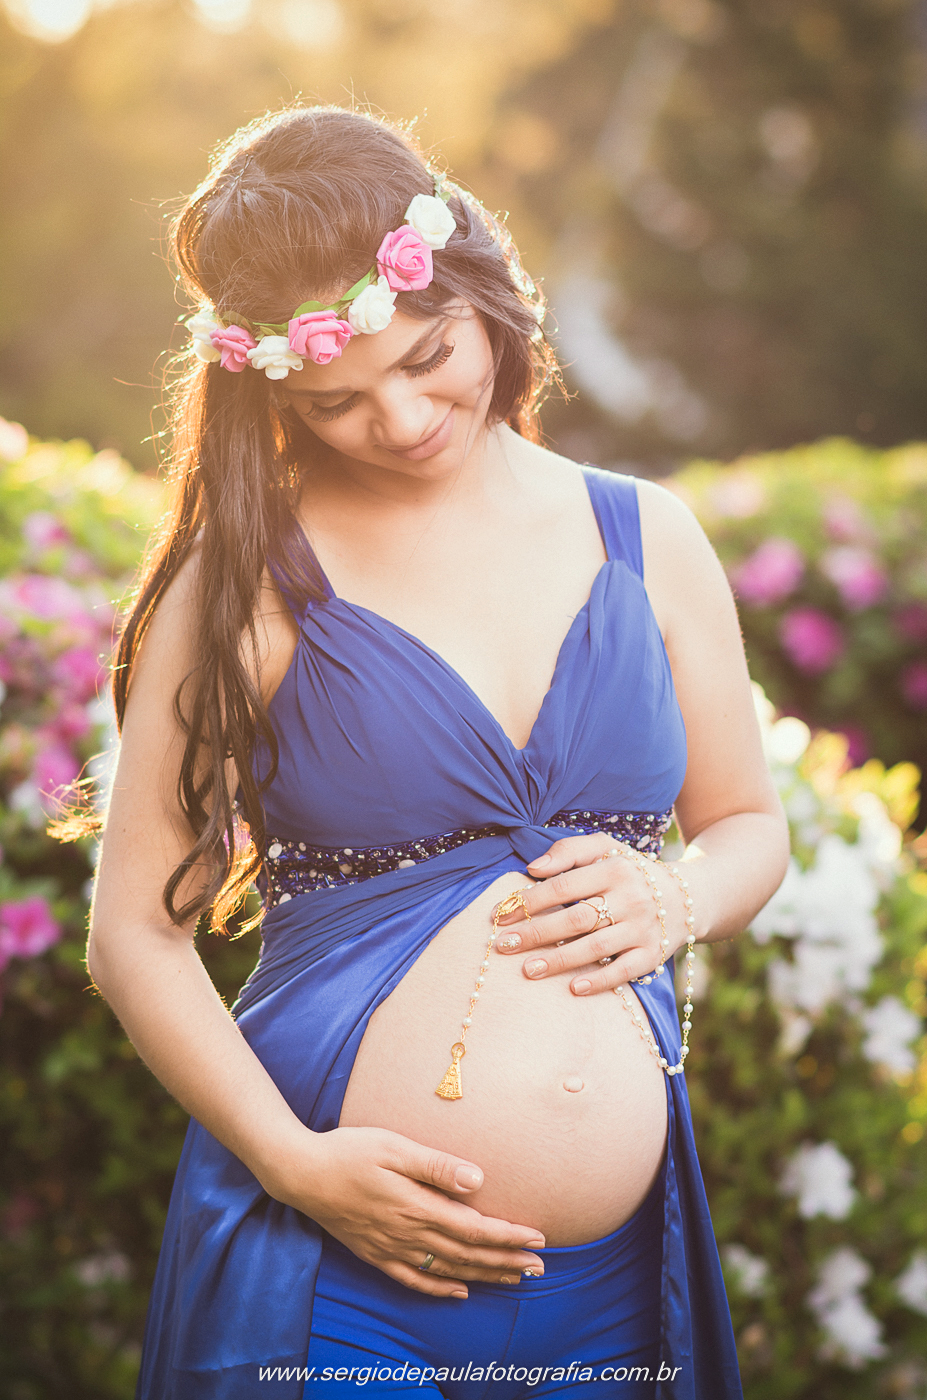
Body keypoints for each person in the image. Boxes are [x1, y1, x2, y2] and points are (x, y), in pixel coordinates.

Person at [85, 104, 789, 1399]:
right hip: (338, 1281)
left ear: (476, 289)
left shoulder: (650, 537)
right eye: (338, 401)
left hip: (616, 1283)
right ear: (274, 387)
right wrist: (295, 1166)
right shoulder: (245, 580)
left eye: (431, 354)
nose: (405, 417)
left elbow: (749, 823)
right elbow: (134, 935)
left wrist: (673, 893)